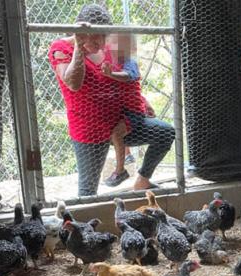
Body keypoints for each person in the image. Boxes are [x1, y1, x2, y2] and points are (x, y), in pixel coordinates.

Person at [48, 4, 174, 196]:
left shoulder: (108, 44)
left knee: (165, 133)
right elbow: (73, 83)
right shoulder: (61, 48)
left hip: (123, 122)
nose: (103, 43)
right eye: (98, 37)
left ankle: (142, 181)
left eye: (105, 36)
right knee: (88, 191)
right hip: (90, 130)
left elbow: (123, 77)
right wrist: (79, 49)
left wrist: (140, 98)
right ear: (81, 33)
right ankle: (84, 225)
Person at [100, 32, 140, 187]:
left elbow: (128, 76)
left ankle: (120, 170)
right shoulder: (111, 62)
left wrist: (111, 74)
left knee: (116, 134)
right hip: (121, 111)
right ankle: (126, 157)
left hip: (133, 112)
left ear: (132, 48)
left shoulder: (130, 63)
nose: (118, 48)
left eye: (123, 45)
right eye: (115, 43)